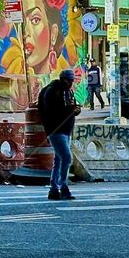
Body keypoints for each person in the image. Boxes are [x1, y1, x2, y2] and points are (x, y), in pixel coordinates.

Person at [38, 68, 80, 200]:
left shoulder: (67, 92)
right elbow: (51, 111)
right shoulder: (52, 91)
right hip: (56, 130)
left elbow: (69, 107)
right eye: (69, 81)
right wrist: (70, 110)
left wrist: (74, 110)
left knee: (59, 159)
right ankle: (63, 186)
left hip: (66, 130)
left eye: (72, 81)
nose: (71, 83)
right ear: (63, 79)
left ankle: (54, 189)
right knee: (66, 157)